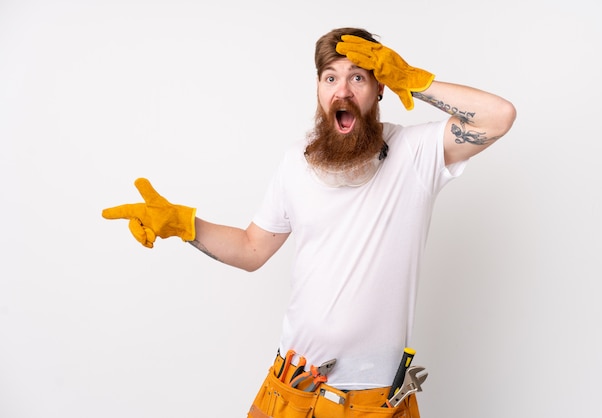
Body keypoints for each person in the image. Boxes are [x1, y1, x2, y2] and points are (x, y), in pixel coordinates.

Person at [102, 27, 516, 418]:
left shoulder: (415, 152)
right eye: (330, 77)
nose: (343, 89)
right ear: (318, 89)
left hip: (372, 401)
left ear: (380, 88)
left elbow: (498, 116)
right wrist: (184, 226)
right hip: (292, 387)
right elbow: (252, 248)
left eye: (358, 77)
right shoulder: (296, 162)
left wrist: (413, 78)